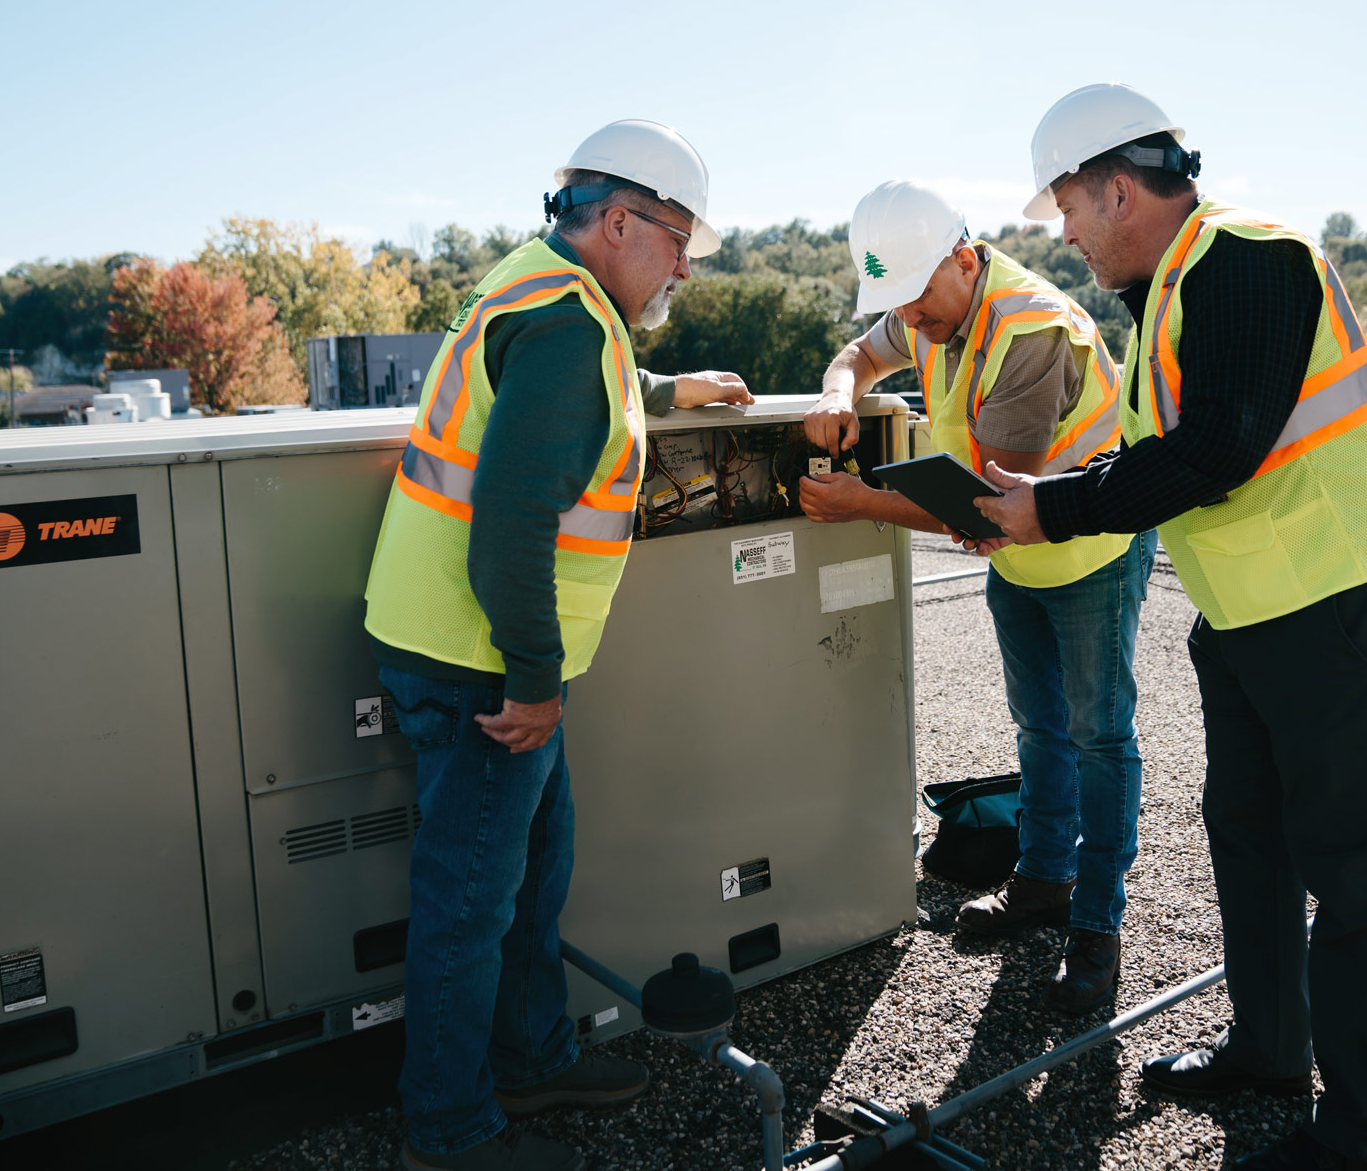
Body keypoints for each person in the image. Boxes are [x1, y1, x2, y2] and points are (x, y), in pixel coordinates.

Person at [971, 83, 1367, 1171]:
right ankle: (1269, 1050)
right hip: (1255, 617)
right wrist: (1053, 489)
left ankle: (1361, 1140)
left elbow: (1221, 446)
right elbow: (1164, 455)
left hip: (1345, 603)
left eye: (1067, 209)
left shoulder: (1243, 255)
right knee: (1251, 838)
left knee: (1362, 879)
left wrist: (1051, 505)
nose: (1064, 234)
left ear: (1119, 188)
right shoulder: (1171, 290)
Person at [363, 119, 753, 1171]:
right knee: (470, 902)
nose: (681, 263)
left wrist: (671, 391)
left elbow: (558, 409)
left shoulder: (544, 293)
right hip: (485, 665)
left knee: (532, 873)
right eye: (676, 239)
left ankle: (532, 1059)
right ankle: (449, 1131)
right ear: (619, 221)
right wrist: (533, 683)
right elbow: (510, 525)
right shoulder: (573, 330)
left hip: (475, 649)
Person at [799, 179, 1154, 1013]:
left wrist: (862, 505)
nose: (912, 325)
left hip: (1087, 555)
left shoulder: (1028, 330)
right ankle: (1041, 883)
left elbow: (988, 512)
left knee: (1099, 737)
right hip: (1021, 567)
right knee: (1039, 727)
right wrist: (836, 392)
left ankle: (1097, 930)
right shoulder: (929, 300)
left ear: (966, 258)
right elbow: (859, 353)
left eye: (919, 305)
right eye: (902, 312)